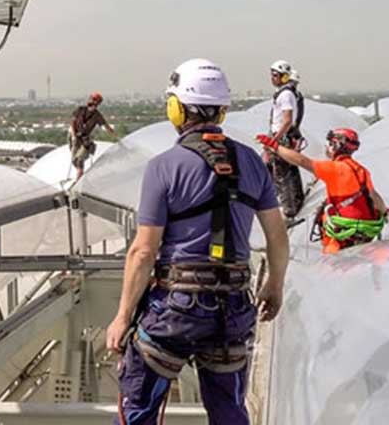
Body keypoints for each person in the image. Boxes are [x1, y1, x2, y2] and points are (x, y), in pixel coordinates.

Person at [106, 59, 289, 425]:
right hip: (233, 308)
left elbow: (143, 251)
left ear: (176, 108)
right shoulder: (252, 162)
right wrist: (274, 285)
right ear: (222, 110)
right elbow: (277, 236)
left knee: (138, 410)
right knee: (229, 412)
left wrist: (123, 316)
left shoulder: (164, 166)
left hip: (175, 310)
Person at [258, 128, 388, 253]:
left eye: (329, 143)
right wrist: (384, 212)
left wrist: (275, 146)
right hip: (365, 233)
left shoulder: (334, 169)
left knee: (333, 262)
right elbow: (374, 196)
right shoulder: (361, 170)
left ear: (335, 145)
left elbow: (301, 161)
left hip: (344, 237)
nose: (326, 147)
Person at [266, 60, 305, 217]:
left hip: (282, 137)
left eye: (275, 75)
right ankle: (297, 200)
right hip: (283, 136)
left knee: (281, 173)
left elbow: (287, 120)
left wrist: (275, 139)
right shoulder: (285, 93)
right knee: (289, 169)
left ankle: (290, 210)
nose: (272, 78)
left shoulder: (286, 95)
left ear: (284, 77)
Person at [70, 92, 116, 181]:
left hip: (85, 140)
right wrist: (73, 135)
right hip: (76, 137)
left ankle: (78, 181)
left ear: (98, 103)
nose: (93, 101)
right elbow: (73, 122)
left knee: (80, 161)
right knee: (74, 160)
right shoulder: (80, 110)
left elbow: (105, 126)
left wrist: (115, 136)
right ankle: (82, 177)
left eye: (95, 101)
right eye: (92, 99)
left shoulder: (97, 115)